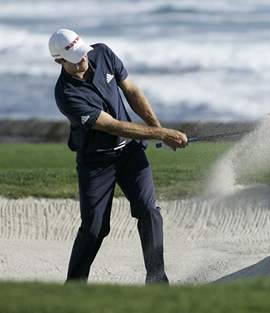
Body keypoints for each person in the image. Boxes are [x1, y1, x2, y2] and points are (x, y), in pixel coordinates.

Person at [48, 28, 188, 284]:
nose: (84, 59)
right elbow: (112, 125)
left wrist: (157, 127)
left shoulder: (101, 53)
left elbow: (132, 92)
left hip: (130, 152)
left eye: (83, 53)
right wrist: (160, 134)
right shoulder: (66, 94)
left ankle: (157, 282)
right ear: (59, 61)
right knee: (94, 229)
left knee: (149, 211)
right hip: (96, 161)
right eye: (76, 58)